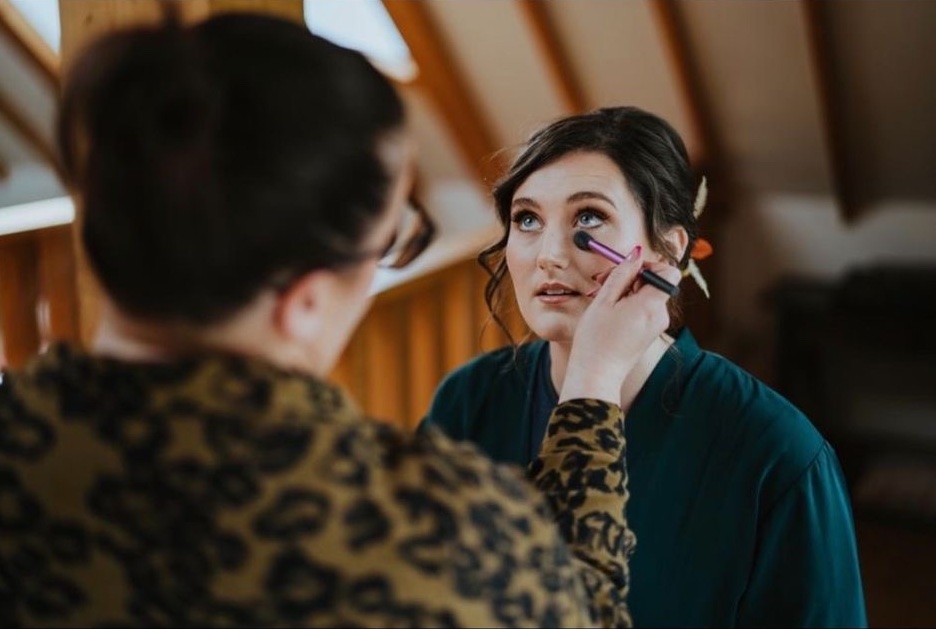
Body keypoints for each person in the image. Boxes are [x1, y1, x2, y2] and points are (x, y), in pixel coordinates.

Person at [0, 13, 681, 628]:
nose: (549, 251)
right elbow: (580, 608)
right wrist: (593, 383)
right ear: (304, 299)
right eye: (391, 241)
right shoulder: (432, 532)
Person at [423, 106, 867, 627]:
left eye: (589, 217)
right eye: (527, 219)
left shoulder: (779, 453)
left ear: (667, 254)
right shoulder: (467, 401)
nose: (548, 254)